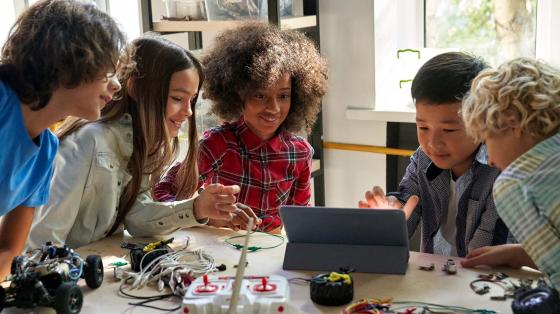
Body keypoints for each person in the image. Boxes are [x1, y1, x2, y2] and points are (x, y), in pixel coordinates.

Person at [27, 36, 252, 250]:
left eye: (191, 100)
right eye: (177, 98)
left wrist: (196, 208)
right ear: (135, 88)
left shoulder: (141, 144)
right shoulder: (88, 141)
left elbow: (136, 218)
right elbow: (42, 241)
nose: (188, 112)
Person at [154, 22, 328, 232]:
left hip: (270, 252)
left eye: (283, 96)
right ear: (238, 95)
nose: (273, 108)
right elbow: (163, 193)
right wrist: (204, 214)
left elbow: (301, 220)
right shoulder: (217, 145)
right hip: (223, 251)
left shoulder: (300, 153)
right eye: (260, 95)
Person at [0, 0, 127, 278]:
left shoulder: (47, 150)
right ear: (67, 60)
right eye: (108, 71)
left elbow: (9, 251)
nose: (117, 85)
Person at [359, 52, 511, 257]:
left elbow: (485, 261)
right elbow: (406, 201)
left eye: (448, 130)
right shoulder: (423, 159)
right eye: (422, 127)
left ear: (482, 121)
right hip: (438, 279)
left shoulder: (501, 172)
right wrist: (390, 215)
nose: (432, 142)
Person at [460, 57, 560, 292]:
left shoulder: (516, 183)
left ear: (512, 123)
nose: (491, 160)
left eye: (487, 141)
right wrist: (521, 255)